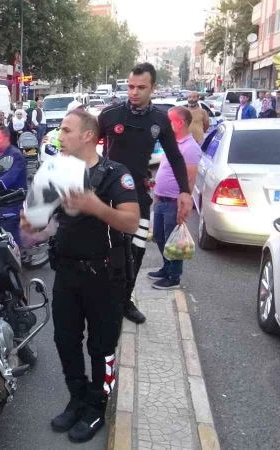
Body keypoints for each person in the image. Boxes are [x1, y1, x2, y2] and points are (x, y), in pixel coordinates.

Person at [23, 109, 140, 443]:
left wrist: (96, 207)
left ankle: (98, 405)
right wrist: (33, 218)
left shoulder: (115, 174)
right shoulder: (58, 170)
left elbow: (131, 221)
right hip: (67, 272)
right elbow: (38, 222)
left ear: (88, 136)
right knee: (65, 340)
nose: (59, 136)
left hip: (105, 276)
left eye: (66, 130)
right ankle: (78, 397)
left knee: (102, 347)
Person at [98, 63, 192, 325]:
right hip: (108, 196)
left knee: (136, 251)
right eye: (130, 86)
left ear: (153, 88)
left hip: (139, 196)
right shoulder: (110, 115)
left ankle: (125, 300)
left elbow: (175, 157)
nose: (134, 92)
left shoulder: (160, 120)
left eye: (141, 87)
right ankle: (104, 300)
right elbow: (87, 144)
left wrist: (185, 192)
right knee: (107, 251)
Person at [149, 107, 201, 290]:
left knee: (174, 240)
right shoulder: (172, 143)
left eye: (169, 121)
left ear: (181, 123)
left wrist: (184, 206)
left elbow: (190, 179)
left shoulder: (190, 147)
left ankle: (174, 277)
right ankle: (166, 268)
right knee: (160, 236)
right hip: (161, 199)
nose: (165, 124)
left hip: (173, 202)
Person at [0, 127, 27, 247]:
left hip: (11, 201)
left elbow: (9, 178)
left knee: (8, 232)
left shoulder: (15, 155)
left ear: (6, 138)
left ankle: (16, 254)